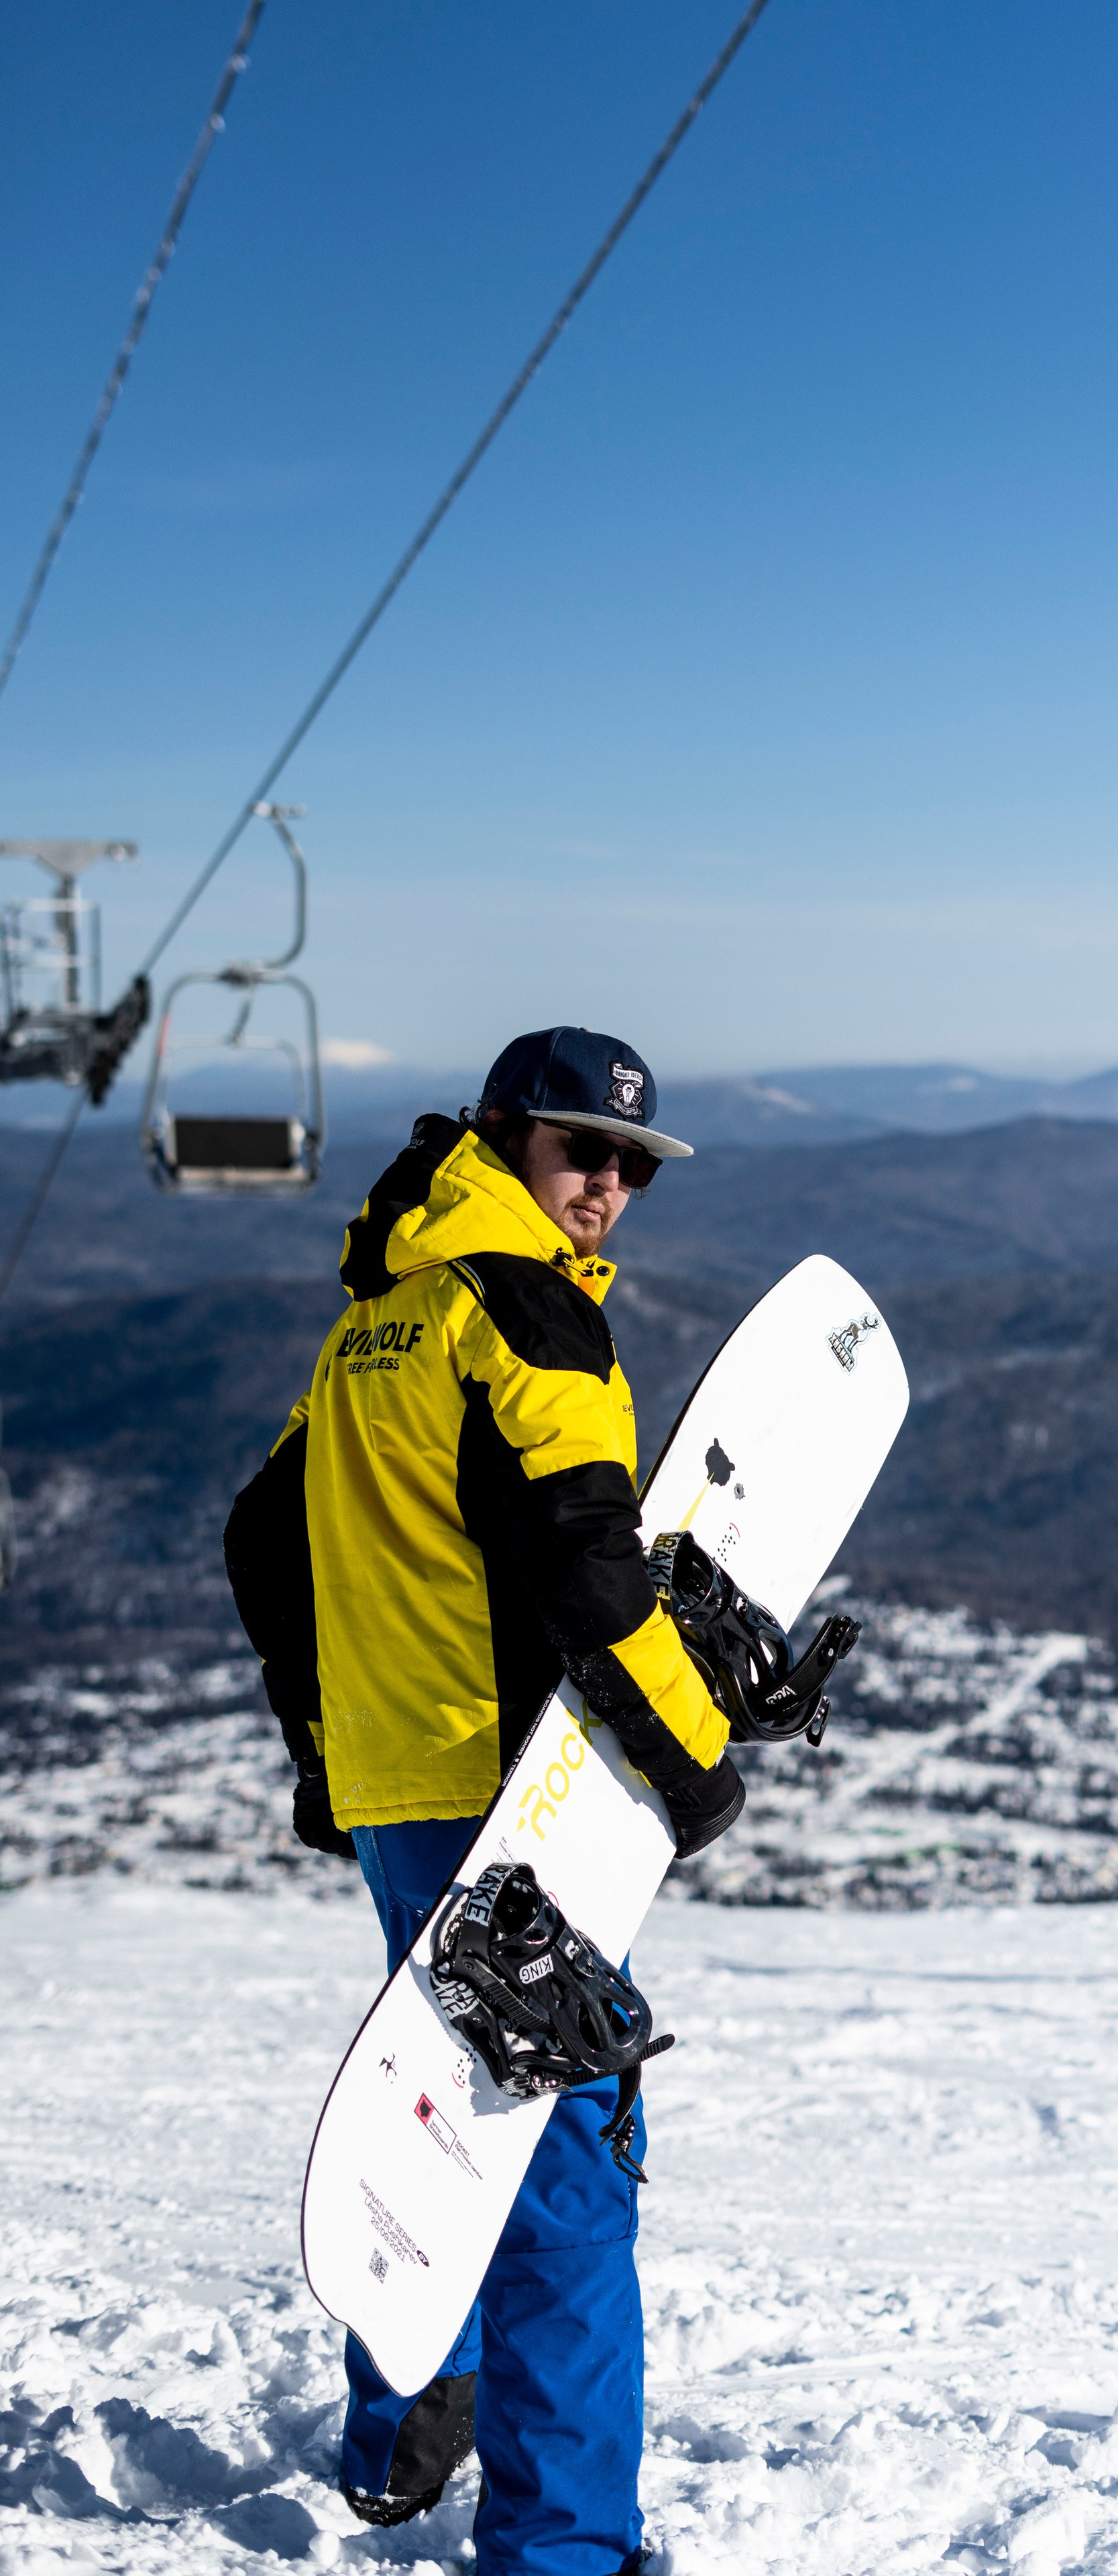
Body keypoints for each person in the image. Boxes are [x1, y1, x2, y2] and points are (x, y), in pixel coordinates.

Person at [224, 1024, 743, 2574]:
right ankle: (563, 2551)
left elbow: (265, 1540)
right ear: (506, 1136)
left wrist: (330, 1748)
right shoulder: (524, 1315)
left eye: (632, 1163)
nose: (606, 1186)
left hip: (403, 1793)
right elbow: (587, 1562)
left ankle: (397, 2434)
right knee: (564, 2178)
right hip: (513, 1810)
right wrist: (690, 1759)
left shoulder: (382, 1315)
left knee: (435, 2113)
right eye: (581, 1149)